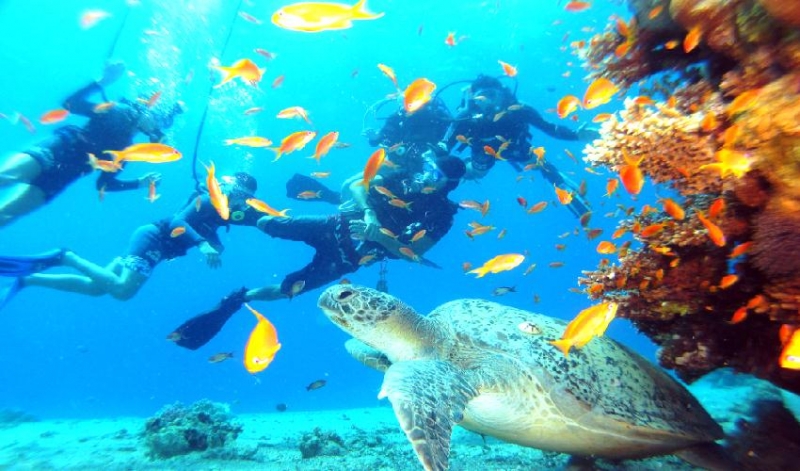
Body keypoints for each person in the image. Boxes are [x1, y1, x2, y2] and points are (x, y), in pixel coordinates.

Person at [168, 154, 466, 350]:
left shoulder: (443, 216)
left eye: (434, 174)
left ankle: (238, 298)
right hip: (332, 225)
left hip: (349, 258)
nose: (425, 175)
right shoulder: (402, 176)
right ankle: (224, 212)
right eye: (427, 167)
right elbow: (357, 186)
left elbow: (414, 253)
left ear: (448, 183)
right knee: (274, 225)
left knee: (291, 289)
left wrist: (383, 239)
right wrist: (368, 214)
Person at [0, 172, 261, 306]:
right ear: (227, 186)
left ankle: (28, 279)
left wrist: (216, 241)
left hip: (157, 248)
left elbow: (204, 227)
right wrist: (203, 244)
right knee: (124, 291)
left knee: (97, 288)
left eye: (245, 197)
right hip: (153, 240)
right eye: (238, 192)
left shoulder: (224, 213)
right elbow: (176, 222)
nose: (240, 199)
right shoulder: (207, 199)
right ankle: (66, 257)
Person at [0, 61, 183, 227]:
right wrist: (103, 81)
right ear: (146, 107)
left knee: (7, 215)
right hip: (58, 148)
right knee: (5, 176)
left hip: (65, 176)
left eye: (160, 123)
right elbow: (70, 103)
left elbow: (104, 184)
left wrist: (139, 183)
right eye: (156, 118)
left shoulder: (128, 150)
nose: (155, 126)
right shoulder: (116, 110)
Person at [442, 74, 598, 217]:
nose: (487, 101)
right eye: (480, 98)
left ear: (501, 95)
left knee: (540, 165)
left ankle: (563, 187)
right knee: (474, 173)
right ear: (473, 100)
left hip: (515, 148)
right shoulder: (466, 117)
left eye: (491, 95)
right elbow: (444, 146)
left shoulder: (519, 110)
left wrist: (576, 135)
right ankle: (464, 169)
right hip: (483, 154)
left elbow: (550, 128)